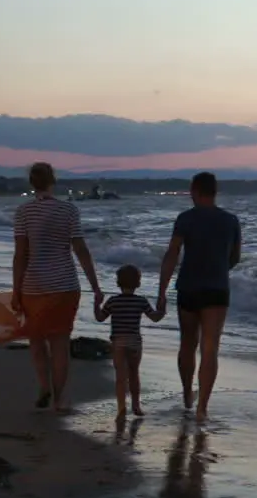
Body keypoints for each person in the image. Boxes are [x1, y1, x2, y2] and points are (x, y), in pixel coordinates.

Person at [11, 162, 103, 413]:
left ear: (31, 183)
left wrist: (16, 290)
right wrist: (95, 286)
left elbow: (21, 255)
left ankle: (44, 386)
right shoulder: (69, 210)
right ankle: (60, 400)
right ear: (54, 181)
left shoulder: (23, 212)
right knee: (61, 343)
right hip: (65, 285)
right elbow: (80, 250)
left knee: (37, 341)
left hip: (33, 287)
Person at [158, 171, 241, 422]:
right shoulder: (230, 220)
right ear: (215, 191)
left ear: (195, 190)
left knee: (187, 344)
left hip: (189, 287)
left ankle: (186, 394)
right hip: (217, 287)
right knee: (210, 347)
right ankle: (202, 407)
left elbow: (172, 254)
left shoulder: (185, 219)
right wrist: (218, 268)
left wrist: (161, 291)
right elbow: (235, 257)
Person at [94, 264, 166, 421]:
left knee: (121, 376)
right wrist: (162, 307)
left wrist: (96, 303)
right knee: (134, 374)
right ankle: (136, 406)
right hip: (135, 341)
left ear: (118, 283)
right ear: (138, 283)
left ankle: (121, 408)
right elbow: (155, 317)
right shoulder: (141, 301)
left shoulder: (113, 301)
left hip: (118, 341)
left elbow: (100, 317)